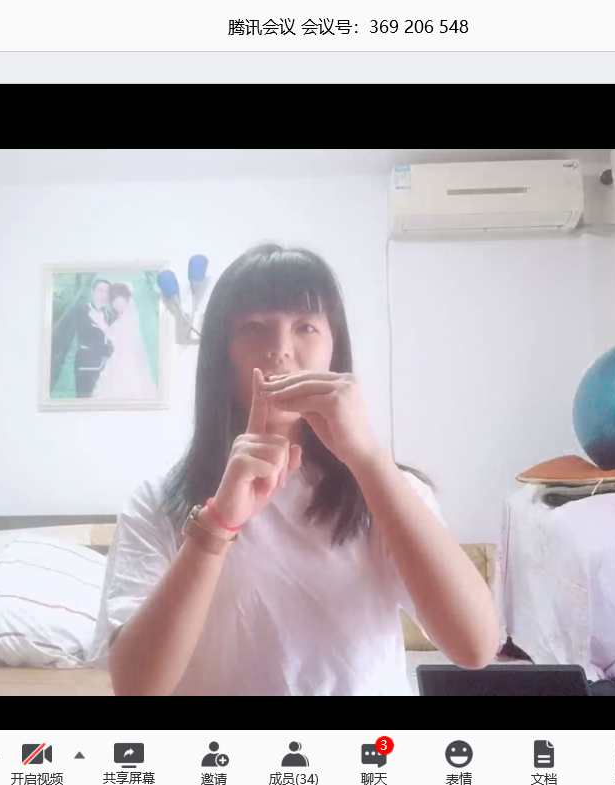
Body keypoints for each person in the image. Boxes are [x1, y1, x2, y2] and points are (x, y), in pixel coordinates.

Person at [90, 244, 498, 695]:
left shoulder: (385, 487)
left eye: (305, 327)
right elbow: (135, 688)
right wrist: (218, 523)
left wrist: (368, 458)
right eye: (253, 328)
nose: (280, 350)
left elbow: (475, 646)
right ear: (221, 356)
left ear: (334, 349)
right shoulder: (157, 502)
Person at [91, 282, 161, 400]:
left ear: (127, 300)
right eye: (114, 302)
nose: (116, 306)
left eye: (119, 302)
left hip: (126, 361)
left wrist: (102, 324)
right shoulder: (121, 317)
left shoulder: (130, 318)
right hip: (118, 358)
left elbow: (119, 340)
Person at [74, 279, 114, 397]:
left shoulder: (109, 316)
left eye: (107, 292)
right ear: (93, 292)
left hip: (105, 369)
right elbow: (84, 338)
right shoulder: (82, 311)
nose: (103, 294)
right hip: (86, 367)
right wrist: (105, 350)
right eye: (100, 290)